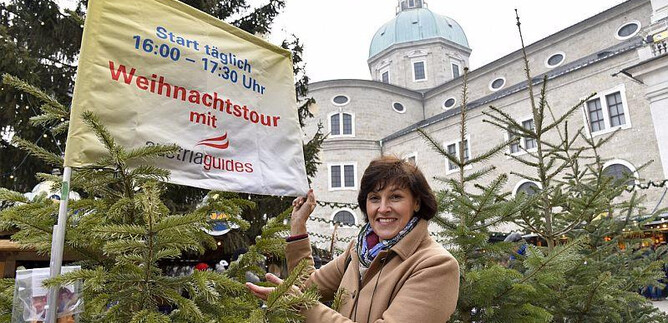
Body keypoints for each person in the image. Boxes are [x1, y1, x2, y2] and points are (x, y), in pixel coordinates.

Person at [247, 156, 460, 322]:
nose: (383, 208)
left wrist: (301, 305)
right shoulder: (357, 252)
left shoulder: (436, 265)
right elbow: (308, 286)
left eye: (395, 197)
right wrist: (298, 225)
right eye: (374, 198)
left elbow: (303, 298)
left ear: (417, 203)